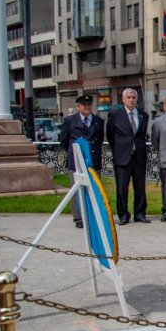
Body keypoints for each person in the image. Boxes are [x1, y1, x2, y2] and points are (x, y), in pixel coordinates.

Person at [59, 94, 105, 229]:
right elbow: (64, 140)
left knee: (94, 189)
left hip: (93, 160)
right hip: (77, 161)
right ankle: (78, 217)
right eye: (84, 105)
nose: (87, 107)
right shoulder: (70, 120)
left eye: (89, 104)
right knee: (76, 189)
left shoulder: (98, 121)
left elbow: (100, 140)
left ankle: (94, 215)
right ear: (78, 107)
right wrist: (74, 153)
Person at [106, 88, 151, 225]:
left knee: (140, 187)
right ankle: (123, 215)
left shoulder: (143, 115)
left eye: (134, 97)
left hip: (138, 157)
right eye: (129, 97)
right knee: (122, 188)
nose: (131, 100)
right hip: (123, 157)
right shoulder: (115, 114)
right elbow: (110, 134)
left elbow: (141, 135)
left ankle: (140, 213)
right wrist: (119, 150)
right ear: (123, 99)